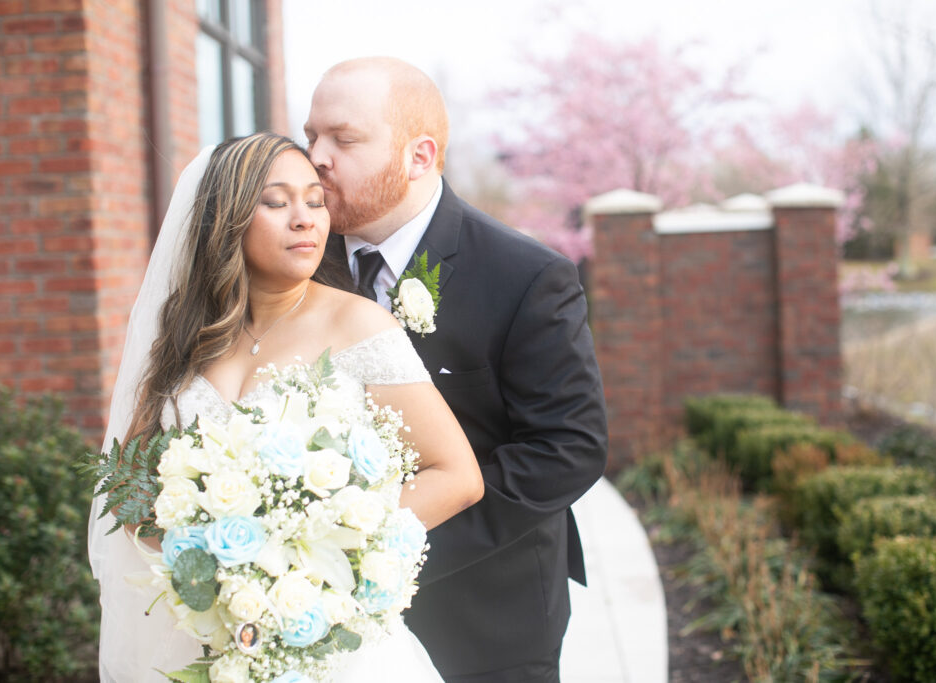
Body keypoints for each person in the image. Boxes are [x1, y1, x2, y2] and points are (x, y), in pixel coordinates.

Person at [87, 132, 484, 682]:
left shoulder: (359, 325)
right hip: (203, 638)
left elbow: (457, 475)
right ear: (224, 220)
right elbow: (127, 484)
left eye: (315, 201)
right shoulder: (184, 335)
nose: (306, 219)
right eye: (276, 203)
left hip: (326, 639)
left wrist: (324, 553)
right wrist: (209, 562)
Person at [304, 57, 609, 682]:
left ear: (420, 156)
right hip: (315, 614)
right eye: (310, 136)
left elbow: (567, 448)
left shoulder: (526, 277)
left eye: (344, 138)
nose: (317, 156)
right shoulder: (295, 266)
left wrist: (380, 548)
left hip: (488, 609)